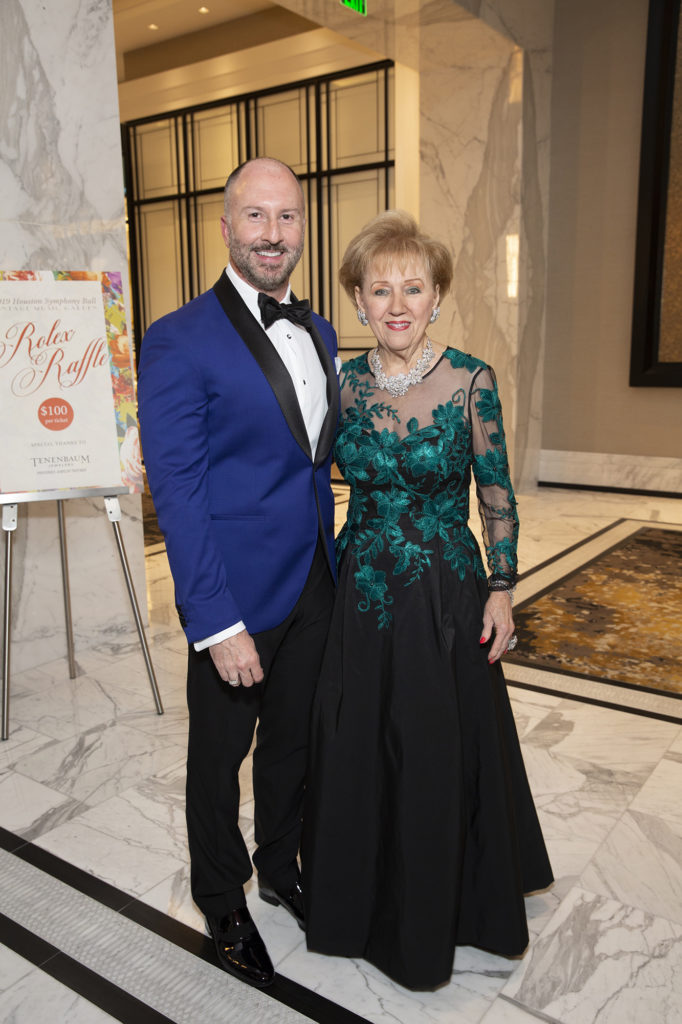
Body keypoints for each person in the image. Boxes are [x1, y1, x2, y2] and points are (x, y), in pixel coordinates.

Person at [302, 210, 552, 991]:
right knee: (361, 737)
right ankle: (362, 893)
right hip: (363, 588)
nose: (397, 304)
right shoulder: (342, 383)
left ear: (437, 296)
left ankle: (449, 901)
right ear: (358, 301)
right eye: (380, 290)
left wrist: (502, 588)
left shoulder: (473, 380)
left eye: (413, 288)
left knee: (435, 740)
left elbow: (496, 496)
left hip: (444, 588)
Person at [137, 157, 340, 989]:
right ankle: (222, 900)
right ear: (225, 227)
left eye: (287, 217)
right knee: (218, 759)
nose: (272, 233)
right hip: (234, 594)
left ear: (302, 229)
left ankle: (282, 867)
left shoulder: (321, 331)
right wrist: (216, 621)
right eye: (256, 216)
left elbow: (312, 459)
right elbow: (178, 493)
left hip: (315, 577)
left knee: (294, 742)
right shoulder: (176, 338)